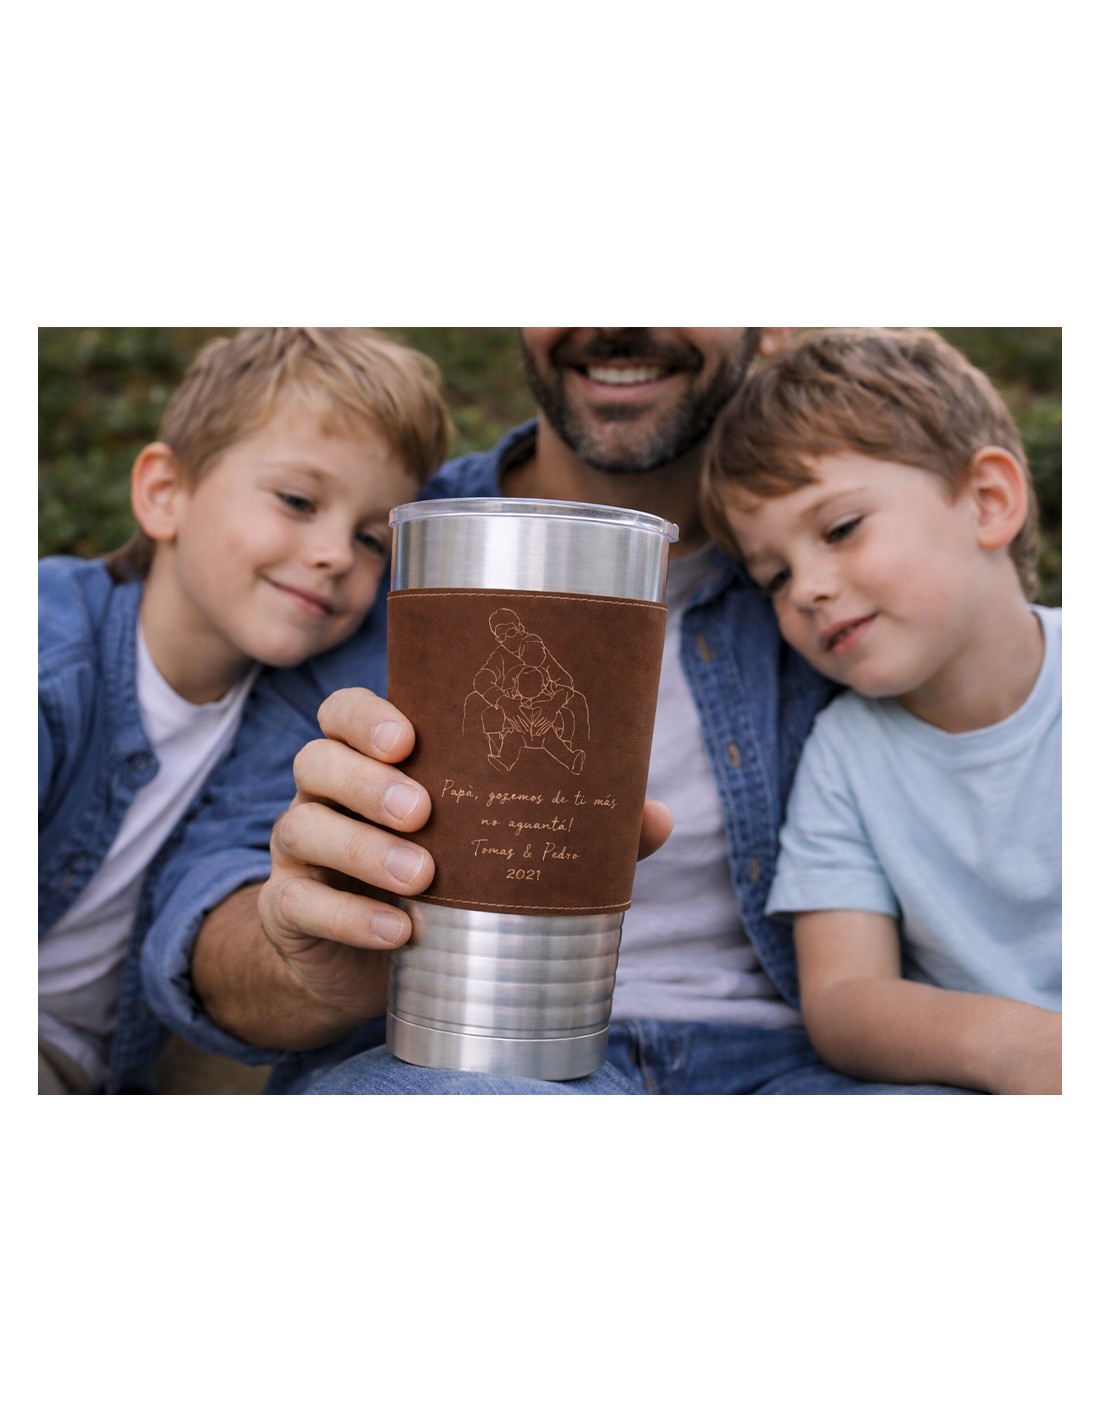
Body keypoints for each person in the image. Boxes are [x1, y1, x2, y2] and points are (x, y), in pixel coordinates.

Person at [139, 327, 976, 1095]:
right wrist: (306, 961)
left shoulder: (838, 548)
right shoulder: (378, 542)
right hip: (463, 1066)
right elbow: (209, 907)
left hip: (797, 1072)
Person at [39, 327, 450, 1093]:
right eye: (298, 501)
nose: (336, 554)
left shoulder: (295, 718)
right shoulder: (45, 649)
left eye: (370, 539)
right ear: (166, 493)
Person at [699, 327, 1061, 1094]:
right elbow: (844, 998)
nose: (807, 589)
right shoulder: (842, 757)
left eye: (840, 529)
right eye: (774, 577)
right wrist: (1020, 1048)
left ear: (988, 502)